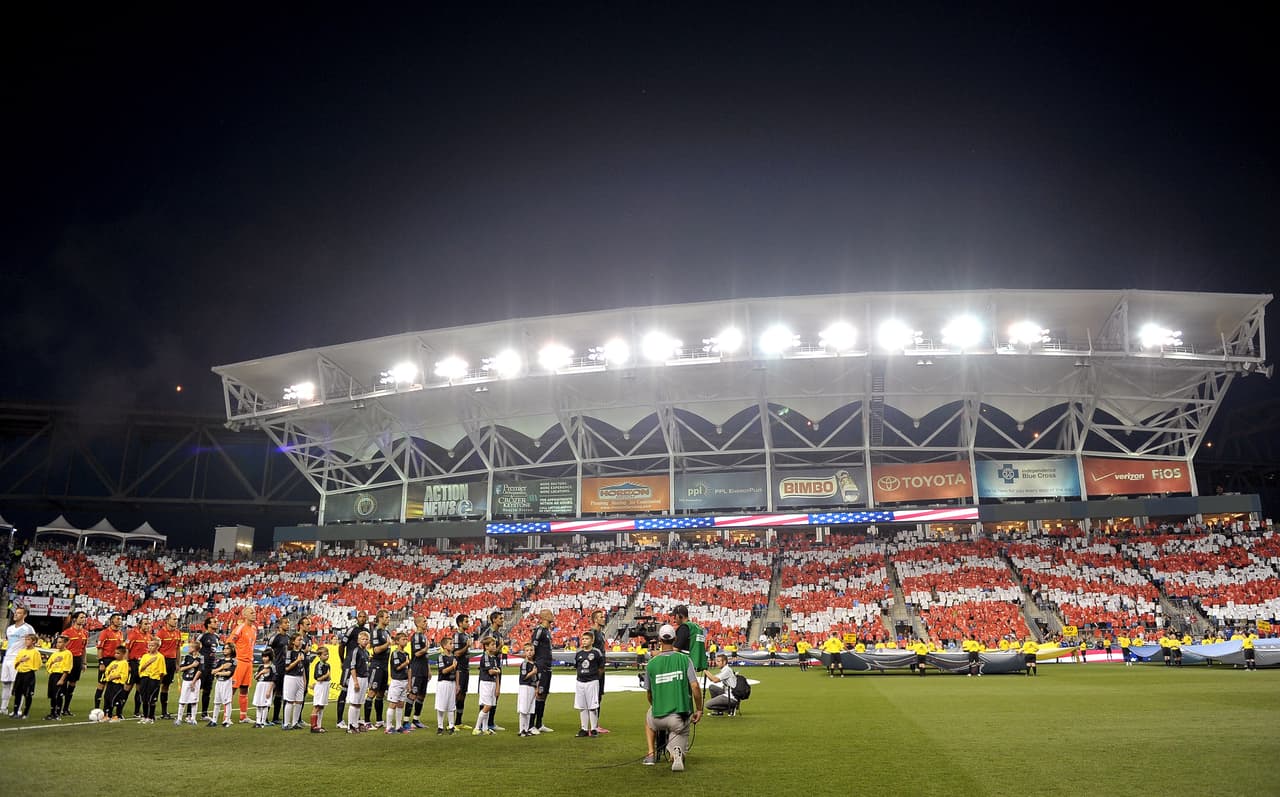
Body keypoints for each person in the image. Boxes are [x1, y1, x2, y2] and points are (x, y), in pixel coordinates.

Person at [643, 624, 703, 772]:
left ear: (659, 640)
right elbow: (695, 687)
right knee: (679, 733)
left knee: (648, 719)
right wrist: (699, 709)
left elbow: (649, 694)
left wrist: (655, 705)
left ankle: (650, 754)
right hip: (679, 717)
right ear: (675, 639)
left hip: (658, 716)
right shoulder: (684, 660)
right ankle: (676, 752)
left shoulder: (651, 664)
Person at [335, 609, 367, 729]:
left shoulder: (366, 632)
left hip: (359, 667)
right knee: (344, 690)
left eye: (364, 617)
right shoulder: (352, 629)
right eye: (360, 616)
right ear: (357, 618)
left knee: (357, 692)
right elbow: (342, 645)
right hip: (349, 665)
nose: (362, 618)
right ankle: (339, 720)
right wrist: (343, 661)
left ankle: (356, 719)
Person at [1, 605, 35, 715]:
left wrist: (27, 655)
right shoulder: (10, 628)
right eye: (16, 612)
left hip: (19, 659)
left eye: (19, 613)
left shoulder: (28, 628)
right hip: (7, 658)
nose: (16, 614)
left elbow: (34, 640)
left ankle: (18, 709)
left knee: (18, 685)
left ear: (25, 615)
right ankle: (3, 708)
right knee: (5, 684)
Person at [477, 610, 508, 731]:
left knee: (495, 694)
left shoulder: (498, 634)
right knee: (486, 697)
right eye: (500, 618)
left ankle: (489, 723)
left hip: (496, 664)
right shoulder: (489, 633)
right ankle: (484, 723)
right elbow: (488, 652)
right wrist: (500, 646)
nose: (502, 620)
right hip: (489, 666)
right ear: (494, 619)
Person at [228, 606, 258, 723]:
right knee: (232, 688)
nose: (254, 614)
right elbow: (230, 642)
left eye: (255, 612)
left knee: (245, 689)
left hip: (249, 662)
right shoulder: (240, 628)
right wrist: (233, 658)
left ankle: (243, 716)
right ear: (245, 615)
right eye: (251, 613)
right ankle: (227, 715)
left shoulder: (254, 629)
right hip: (239, 661)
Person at [93, 612, 125, 711]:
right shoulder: (105, 632)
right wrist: (101, 662)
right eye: (118, 619)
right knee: (101, 684)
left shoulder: (120, 633)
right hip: (107, 660)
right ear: (112, 620)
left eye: (120, 619)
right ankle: (97, 709)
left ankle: (108, 708)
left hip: (117, 661)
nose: (120, 621)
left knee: (113, 685)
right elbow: (100, 648)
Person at [59, 610, 89, 717]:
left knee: (72, 684)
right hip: (67, 659)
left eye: (84, 617)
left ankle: (66, 708)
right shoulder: (67, 633)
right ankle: (58, 708)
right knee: (63, 683)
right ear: (75, 619)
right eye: (81, 617)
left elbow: (84, 648)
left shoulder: (85, 633)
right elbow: (60, 647)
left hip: (77, 660)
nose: (83, 619)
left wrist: (84, 662)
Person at [530, 608, 555, 733]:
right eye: (550, 614)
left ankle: (539, 723)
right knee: (538, 694)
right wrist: (535, 663)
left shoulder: (547, 631)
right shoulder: (539, 630)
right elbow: (532, 647)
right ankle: (531, 725)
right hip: (540, 666)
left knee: (544, 695)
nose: (553, 615)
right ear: (544, 617)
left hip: (547, 666)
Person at [574, 630, 603, 737]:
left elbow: (601, 668)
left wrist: (594, 677)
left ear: (592, 640)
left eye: (587, 639)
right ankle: (584, 729)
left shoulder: (596, 652)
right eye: (583, 639)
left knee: (592, 706)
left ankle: (594, 729)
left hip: (592, 682)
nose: (584, 641)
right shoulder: (578, 653)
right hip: (580, 682)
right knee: (582, 706)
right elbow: (577, 666)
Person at [365, 610, 391, 727]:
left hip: (385, 666)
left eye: (388, 617)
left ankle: (379, 721)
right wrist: (387, 644)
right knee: (372, 692)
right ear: (380, 618)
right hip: (377, 665)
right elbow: (376, 650)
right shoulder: (376, 632)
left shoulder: (387, 632)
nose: (388, 619)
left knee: (380, 694)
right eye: (386, 617)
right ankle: (366, 721)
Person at [473, 635, 502, 735]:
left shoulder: (493, 657)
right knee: (487, 705)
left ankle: (485, 728)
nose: (495, 646)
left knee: (489, 706)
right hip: (486, 683)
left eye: (495, 644)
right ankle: (477, 727)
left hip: (492, 683)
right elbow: (490, 672)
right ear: (486, 647)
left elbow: (496, 672)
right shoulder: (485, 657)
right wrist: (497, 671)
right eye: (492, 645)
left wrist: (497, 687)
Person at [408, 615, 432, 729]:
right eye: (424, 621)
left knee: (422, 695)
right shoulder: (417, 637)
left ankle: (416, 720)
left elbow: (425, 656)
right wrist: (426, 648)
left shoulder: (423, 636)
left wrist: (429, 669)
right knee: (413, 694)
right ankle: (406, 721)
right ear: (418, 624)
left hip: (423, 669)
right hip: (417, 669)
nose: (426, 623)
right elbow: (417, 654)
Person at [344, 630, 371, 734]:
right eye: (362, 639)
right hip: (357, 678)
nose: (364, 641)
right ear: (358, 640)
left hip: (364, 678)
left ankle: (356, 724)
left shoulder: (366, 652)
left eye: (366, 639)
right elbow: (352, 667)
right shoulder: (356, 651)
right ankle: (350, 726)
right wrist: (355, 681)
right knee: (354, 702)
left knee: (359, 703)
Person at [155, 613, 182, 719]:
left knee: (166, 686)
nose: (176, 621)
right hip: (162, 661)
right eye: (174, 619)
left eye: (177, 619)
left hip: (171, 661)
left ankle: (164, 712)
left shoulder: (177, 633)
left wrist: (177, 663)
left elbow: (177, 649)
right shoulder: (161, 633)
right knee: (156, 685)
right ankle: (150, 710)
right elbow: (155, 649)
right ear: (167, 620)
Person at [124, 619, 152, 718]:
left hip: (144, 666)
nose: (147, 625)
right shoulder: (133, 635)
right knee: (128, 687)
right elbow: (127, 649)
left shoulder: (149, 636)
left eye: (148, 623)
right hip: (134, 664)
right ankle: (118, 710)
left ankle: (136, 712)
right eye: (145, 624)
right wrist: (127, 663)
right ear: (140, 625)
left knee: (140, 689)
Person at [452, 613, 475, 729]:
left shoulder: (466, 635)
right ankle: (452, 722)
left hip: (465, 668)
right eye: (466, 621)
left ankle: (458, 722)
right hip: (459, 669)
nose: (468, 623)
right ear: (460, 623)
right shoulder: (457, 636)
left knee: (463, 694)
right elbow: (456, 653)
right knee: (457, 694)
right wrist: (467, 647)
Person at [385, 630, 411, 734]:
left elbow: (409, 669)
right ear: (397, 641)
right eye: (403, 639)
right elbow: (397, 668)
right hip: (396, 681)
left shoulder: (406, 653)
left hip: (404, 681)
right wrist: (405, 663)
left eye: (406, 639)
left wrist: (409, 683)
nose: (405, 641)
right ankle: (388, 727)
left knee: (401, 704)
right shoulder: (395, 654)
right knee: (393, 704)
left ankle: (398, 726)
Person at [268, 617, 292, 725]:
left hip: (285, 669)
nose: (288, 625)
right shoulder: (275, 637)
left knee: (280, 694)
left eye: (288, 623)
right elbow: (268, 651)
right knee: (271, 692)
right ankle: (264, 717)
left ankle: (275, 717)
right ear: (280, 625)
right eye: (286, 623)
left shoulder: (288, 637)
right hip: (276, 668)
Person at [137, 637, 166, 724]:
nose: (150, 647)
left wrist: (158, 682)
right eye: (149, 645)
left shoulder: (160, 657)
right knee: (144, 698)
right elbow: (141, 669)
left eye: (152, 645)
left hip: (154, 679)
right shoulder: (145, 656)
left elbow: (162, 672)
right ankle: (145, 716)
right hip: (144, 678)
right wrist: (148, 663)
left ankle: (151, 717)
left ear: (157, 647)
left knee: (151, 698)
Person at [281, 632, 307, 730]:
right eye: (299, 640)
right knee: (290, 701)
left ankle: (295, 722)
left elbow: (303, 667)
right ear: (293, 641)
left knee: (299, 701)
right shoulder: (289, 652)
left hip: (300, 677)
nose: (301, 642)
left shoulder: (302, 652)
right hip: (291, 678)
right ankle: (286, 723)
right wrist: (297, 660)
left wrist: (304, 680)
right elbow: (287, 668)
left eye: (301, 640)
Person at [589, 608, 610, 733]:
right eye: (601, 617)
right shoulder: (592, 633)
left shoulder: (601, 633)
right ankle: (592, 725)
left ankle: (595, 724)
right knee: (593, 697)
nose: (604, 618)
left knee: (598, 696)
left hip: (601, 668)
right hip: (595, 669)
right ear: (595, 620)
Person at [671, 605, 707, 676]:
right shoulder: (697, 627)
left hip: (685, 663)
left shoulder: (684, 627)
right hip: (696, 662)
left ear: (680, 616)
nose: (674, 620)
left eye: (675, 617)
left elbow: (675, 649)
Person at [44, 634, 73, 720]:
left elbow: (67, 668)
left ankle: (57, 713)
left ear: (65, 643)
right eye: (57, 642)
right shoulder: (54, 654)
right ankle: (52, 713)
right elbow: (48, 664)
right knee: (52, 695)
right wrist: (53, 662)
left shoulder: (68, 654)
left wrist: (62, 679)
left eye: (60, 642)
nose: (58, 644)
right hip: (53, 675)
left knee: (58, 695)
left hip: (61, 675)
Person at [174, 640, 203, 725]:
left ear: (195, 649)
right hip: (186, 681)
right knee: (182, 699)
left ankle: (193, 719)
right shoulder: (187, 657)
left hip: (196, 681)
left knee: (194, 700)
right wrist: (192, 666)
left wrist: (194, 682)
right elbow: (181, 669)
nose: (188, 648)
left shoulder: (201, 658)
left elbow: (200, 670)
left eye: (190, 647)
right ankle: (179, 718)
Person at [434, 631, 458, 735]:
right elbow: (442, 671)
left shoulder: (453, 657)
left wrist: (457, 684)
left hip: (452, 683)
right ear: (444, 646)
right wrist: (452, 667)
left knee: (451, 706)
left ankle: (451, 726)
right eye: (450, 644)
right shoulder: (441, 657)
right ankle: (440, 726)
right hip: (443, 683)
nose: (452, 646)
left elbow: (457, 672)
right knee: (441, 705)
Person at [197, 617, 220, 719]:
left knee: (207, 691)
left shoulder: (216, 637)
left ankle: (204, 713)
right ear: (208, 624)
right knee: (196, 689)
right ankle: (189, 714)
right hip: (203, 667)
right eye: (214, 622)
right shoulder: (202, 637)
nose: (217, 623)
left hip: (211, 668)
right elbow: (195, 650)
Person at [208, 642, 235, 727]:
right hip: (219, 682)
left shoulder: (234, 661)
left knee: (227, 702)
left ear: (232, 650)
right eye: (224, 648)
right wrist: (222, 667)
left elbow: (228, 673)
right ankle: (214, 720)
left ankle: (227, 720)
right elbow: (213, 672)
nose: (225, 650)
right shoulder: (220, 660)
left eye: (227, 648)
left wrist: (218, 672)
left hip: (226, 682)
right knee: (217, 702)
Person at [102, 644, 131, 722]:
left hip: (118, 685)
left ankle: (117, 716)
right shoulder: (113, 662)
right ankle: (107, 715)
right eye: (115, 653)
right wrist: (108, 677)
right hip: (110, 684)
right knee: (107, 698)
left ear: (123, 654)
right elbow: (107, 670)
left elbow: (124, 675)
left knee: (115, 699)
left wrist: (114, 677)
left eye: (118, 653)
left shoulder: (124, 663)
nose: (116, 655)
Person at [309, 639, 332, 733]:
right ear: (319, 656)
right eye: (324, 654)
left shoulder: (327, 665)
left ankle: (319, 725)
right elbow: (318, 678)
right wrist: (326, 676)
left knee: (322, 706)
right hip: (321, 686)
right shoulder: (319, 665)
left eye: (327, 654)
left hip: (325, 685)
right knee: (317, 706)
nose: (327, 656)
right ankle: (313, 726)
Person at [516, 642, 539, 736]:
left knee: (529, 709)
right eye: (527, 650)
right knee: (524, 709)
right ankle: (522, 729)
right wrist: (533, 672)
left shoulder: (534, 663)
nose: (529, 652)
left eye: (531, 650)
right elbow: (523, 677)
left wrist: (537, 688)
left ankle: (527, 729)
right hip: (525, 687)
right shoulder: (525, 664)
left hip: (532, 687)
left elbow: (537, 678)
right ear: (524, 652)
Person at [252, 648, 276, 728]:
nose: (264, 658)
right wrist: (261, 673)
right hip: (260, 685)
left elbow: (274, 679)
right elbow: (255, 677)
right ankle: (258, 721)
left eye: (266, 657)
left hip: (267, 685)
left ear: (270, 657)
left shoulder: (272, 667)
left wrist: (269, 690)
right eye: (263, 657)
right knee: (259, 704)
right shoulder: (260, 667)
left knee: (265, 704)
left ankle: (263, 721)